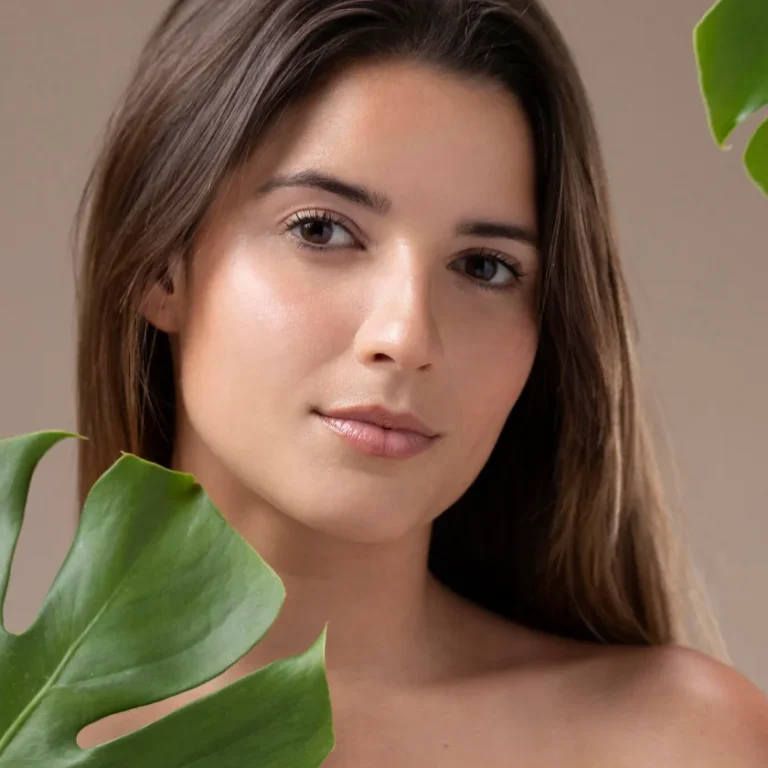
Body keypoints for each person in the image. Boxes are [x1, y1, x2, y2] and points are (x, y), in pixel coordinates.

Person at [74, 0, 768, 763]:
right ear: (159, 266)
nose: (406, 337)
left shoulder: (675, 743)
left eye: (483, 267)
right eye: (321, 229)